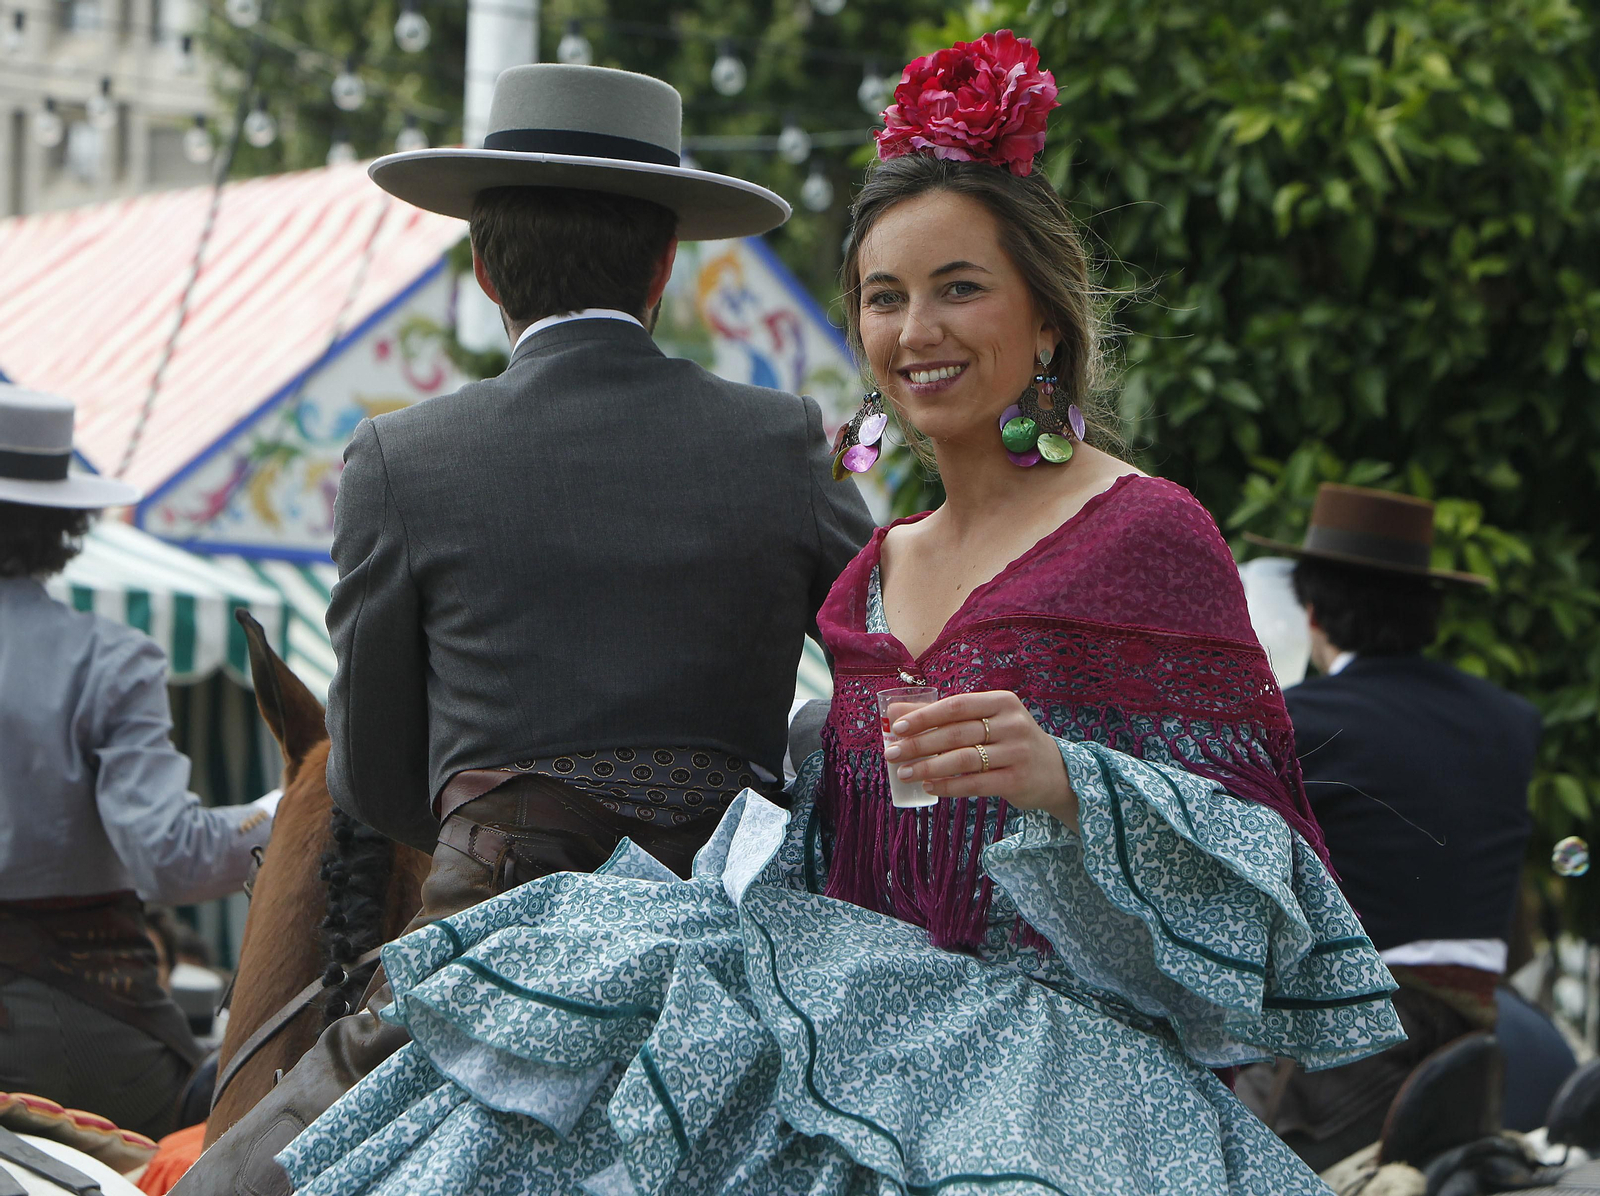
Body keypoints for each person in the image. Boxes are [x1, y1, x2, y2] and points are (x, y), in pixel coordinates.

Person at [269, 33, 1403, 1196]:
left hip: (1058, 1098)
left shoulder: (1145, 530)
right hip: (849, 1058)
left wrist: (1068, 779)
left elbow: (1274, 876)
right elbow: (830, 855)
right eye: (883, 297)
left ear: (1047, 319)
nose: (917, 331)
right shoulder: (871, 568)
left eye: (959, 287)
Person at [181, 63, 874, 1195]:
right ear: (665, 264)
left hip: (485, 944)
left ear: (486, 267)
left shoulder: (399, 458)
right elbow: (889, 665)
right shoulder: (791, 439)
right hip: (739, 951)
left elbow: (371, 779)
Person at [1235, 484, 1541, 1169]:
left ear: (1313, 613)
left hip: (1344, 1051)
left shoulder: (1297, 720)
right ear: (1428, 610)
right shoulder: (1510, 722)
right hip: (1473, 1051)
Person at [0, 384, 275, 1138]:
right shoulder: (107, 660)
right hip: (79, 1030)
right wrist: (280, 813)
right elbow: (171, 861)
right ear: (63, 523)